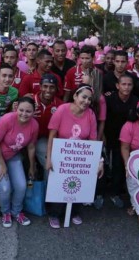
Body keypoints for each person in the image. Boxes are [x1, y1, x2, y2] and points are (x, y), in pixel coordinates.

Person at [46, 84, 102, 228]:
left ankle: (74, 212)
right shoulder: (62, 110)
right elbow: (52, 135)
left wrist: (99, 160)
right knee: (59, 184)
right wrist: (49, 157)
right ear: (75, 96)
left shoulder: (90, 114)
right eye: (83, 97)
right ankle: (54, 213)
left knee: (79, 181)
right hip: (61, 154)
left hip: (80, 155)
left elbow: (93, 140)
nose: (86, 101)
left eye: (89, 99)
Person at [0, 97, 39, 228]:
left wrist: (32, 166)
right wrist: (2, 164)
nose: (24, 114)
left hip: (13, 156)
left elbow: (31, 147)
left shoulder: (34, 125)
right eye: (21, 110)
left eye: (28, 111)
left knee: (21, 186)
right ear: (16, 108)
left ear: (33, 112)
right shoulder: (7, 119)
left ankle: (17, 212)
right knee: (5, 187)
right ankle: (6, 212)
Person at [104, 74, 139, 208]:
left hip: (125, 140)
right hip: (108, 135)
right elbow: (103, 119)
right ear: (118, 86)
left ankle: (116, 192)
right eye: (123, 84)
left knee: (119, 165)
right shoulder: (108, 99)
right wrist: (102, 136)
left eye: (129, 84)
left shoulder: (136, 101)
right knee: (104, 164)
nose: (126, 87)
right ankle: (99, 193)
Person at [33, 74, 64, 176]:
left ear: (56, 89)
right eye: (45, 86)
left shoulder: (60, 105)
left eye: (52, 87)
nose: (48, 90)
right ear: (40, 86)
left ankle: (49, 188)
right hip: (29, 140)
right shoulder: (30, 102)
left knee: (52, 160)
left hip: (50, 140)